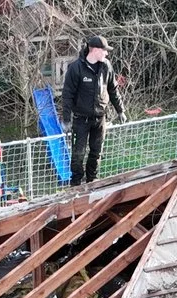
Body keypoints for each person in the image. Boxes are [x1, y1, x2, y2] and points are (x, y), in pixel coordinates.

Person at [59, 36, 125, 188]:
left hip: (99, 118)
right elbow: (67, 95)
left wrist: (120, 110)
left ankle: (92, 181)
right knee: (78, 154)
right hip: (81, 119)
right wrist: (67, 120)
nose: (106, 54)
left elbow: (113, 89)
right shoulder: (76, 68)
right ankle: (76, 184)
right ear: (94, 50)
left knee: (96, 152)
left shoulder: (106, 66)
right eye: (104, 51)